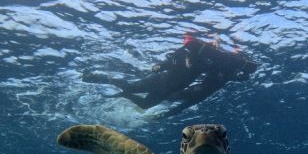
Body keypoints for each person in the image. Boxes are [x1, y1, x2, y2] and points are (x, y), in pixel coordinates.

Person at [83, 34, 257, 115]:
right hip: (160, 80)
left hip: (171, 88)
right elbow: (175, 56)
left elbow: (220, 73)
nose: (214, 48)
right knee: (130, 87)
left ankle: (123, 94)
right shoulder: (188, 55)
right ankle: (102, 78)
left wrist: (237, 72)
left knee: (144, 105)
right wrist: (161, 65)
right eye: (212, 45)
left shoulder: (207, 63)